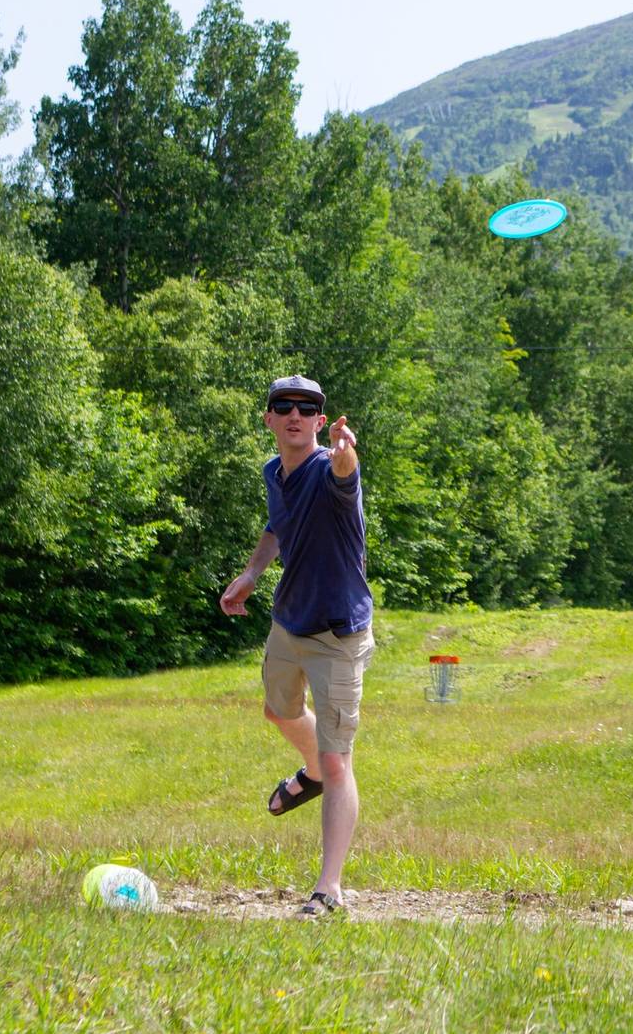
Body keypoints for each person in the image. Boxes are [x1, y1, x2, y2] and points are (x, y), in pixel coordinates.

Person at [220, 375, 375, 918]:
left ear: (318, 422)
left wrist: (345, 451)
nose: (294, 414)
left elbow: (344, 475)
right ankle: (311, 772)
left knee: (338, 760)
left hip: (338, 633)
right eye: (283, 406)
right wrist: (251, 574)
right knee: (277, 711)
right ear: (268, 419)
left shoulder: (329, 470)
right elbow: (276, 528)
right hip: (289, 621)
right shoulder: (274, 472)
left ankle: (328, 889)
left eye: (306, 408)